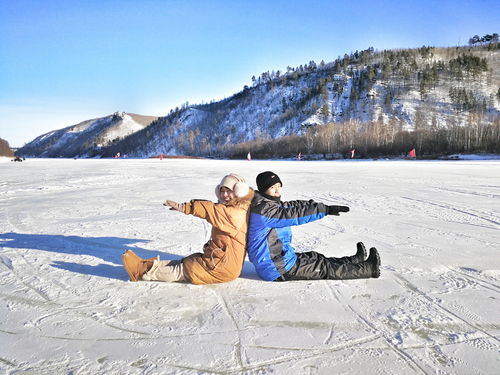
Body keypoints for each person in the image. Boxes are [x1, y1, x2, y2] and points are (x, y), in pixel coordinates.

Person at [247, 171, 381, 282]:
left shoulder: (269, 204)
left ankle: (354, 260)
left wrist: (318, 206)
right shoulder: (264, 211)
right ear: (264, 189)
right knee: (323, 267)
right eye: (272, 187)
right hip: (276, 268)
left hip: (277, 259)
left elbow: (293, 206)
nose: (277, 190)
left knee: (316, 258)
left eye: (279, 185)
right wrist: (324, 211)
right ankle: (369, 268)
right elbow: (291, 215)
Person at [122, 173, 254, 284]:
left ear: (239, 191)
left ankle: (140, 271)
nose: (225, 195)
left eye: (228, 191)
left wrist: (186, 207)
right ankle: (144, 264)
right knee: (187, 261)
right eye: (222, 191)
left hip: (223, 266)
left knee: (185, 270)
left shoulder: (236, 213)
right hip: (221, 259)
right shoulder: (238, 206)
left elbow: (211, 210)